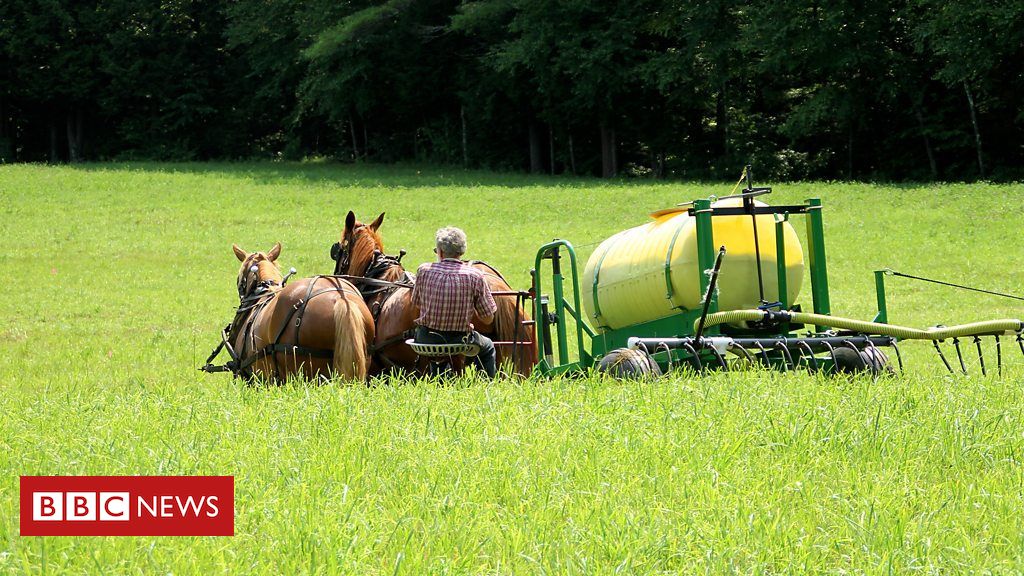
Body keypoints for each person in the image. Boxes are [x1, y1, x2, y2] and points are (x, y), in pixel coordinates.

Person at [412, 227, 498, 377]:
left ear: (440, 251)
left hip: (426, 338)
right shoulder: (475, 276)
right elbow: (488, 319)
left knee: (435, 350)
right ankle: (485, 385)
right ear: (462, 252)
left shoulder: (423, 270)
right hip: (459, 340)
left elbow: (417, 303)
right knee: (488, 346)